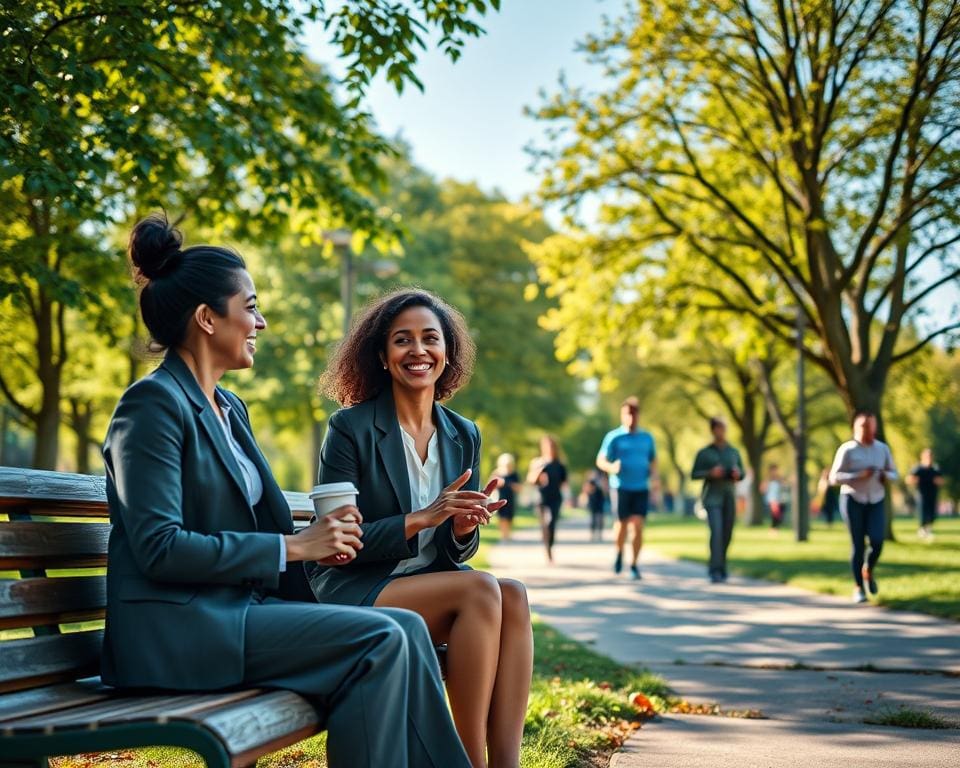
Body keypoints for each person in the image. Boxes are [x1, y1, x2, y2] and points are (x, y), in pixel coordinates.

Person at [101, 215, 470, 768]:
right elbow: (160, 547)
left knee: (407, 629)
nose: (261, 321)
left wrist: (324, 543)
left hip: (236, 613)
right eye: (250, 307)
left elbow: (252, 527)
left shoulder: (229, 407)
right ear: (207, 319)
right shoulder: (151, 405)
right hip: (179, 630)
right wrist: (295, 546)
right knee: (381, 641)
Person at [312, 288, 533, 768]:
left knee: (512, 595)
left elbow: (454, 554)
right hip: (356, 586)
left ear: (447, 352)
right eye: (403, 340)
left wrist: (460, 528)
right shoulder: (349, 428)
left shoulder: (463, 433)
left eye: (430, 338)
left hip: (425, 588)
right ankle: (467, 762)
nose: (418, 350)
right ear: (382, 356)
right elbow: (336, 544)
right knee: (480, 590)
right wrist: (422, 517)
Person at [829, 410, 898, 604]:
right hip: (853, 499)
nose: (868, 430)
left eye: (871, 426)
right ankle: (858, 587)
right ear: (855, 428)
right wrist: (857, 476)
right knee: (858, 544)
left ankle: (868, 569)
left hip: (876, 499)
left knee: (877, 541)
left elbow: (895, 473)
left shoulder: (882, 449)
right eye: (864, 426)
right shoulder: (847, 449)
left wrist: (885, 475)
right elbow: (833, 478)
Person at [596, 397, 658, 579]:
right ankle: (619, 552)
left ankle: (634, 565)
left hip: (641, 487)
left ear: (639, 415)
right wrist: (611, 467)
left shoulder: (647, 438)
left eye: (634, 414)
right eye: (627, 414)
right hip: (620, 487)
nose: (631, 417)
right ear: (622, 415)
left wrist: (655, 480)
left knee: (637, 525)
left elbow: (653, 461)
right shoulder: (614, 437)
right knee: (621, 525)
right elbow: (600, 460)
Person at [691, 417, 745, 583]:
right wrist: (710, 473)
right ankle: (714, 570)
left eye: (724, 428)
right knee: (716, 531)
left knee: (727, 533)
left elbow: (742, 473)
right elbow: (694, 474)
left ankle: (721, 566)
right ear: (713, 430)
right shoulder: (704, 452)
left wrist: (737, 474)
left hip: (729, 497)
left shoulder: (733, 452)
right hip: (712, 498)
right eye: (719, 428)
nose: (721, 431)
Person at [527, 435, 569, 564]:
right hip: (541, 498)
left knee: (551, 523)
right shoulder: (537, 462)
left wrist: (568, 499)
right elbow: (531, 480)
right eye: (547, 446)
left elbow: (564, 483)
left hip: (555, 498)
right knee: (544, 524)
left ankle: (550, 546)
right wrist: (539, 471)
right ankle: (547, 550)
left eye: (551, 446)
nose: (549, 448)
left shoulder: (560, 465)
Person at [908, 448, 945, 539]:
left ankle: (928, 531)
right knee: (922, 513)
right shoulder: (918, 468)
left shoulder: (935, 468)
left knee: (932, 514)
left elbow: (941, 480)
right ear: (923, 457)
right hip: (921, 495)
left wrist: (937, 481)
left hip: (932, 494)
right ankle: (922, 530)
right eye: (927, 456)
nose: (929, 458)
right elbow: (909, 479)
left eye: (930, 456)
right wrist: (915, 480)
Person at [490, 453, 522, 541]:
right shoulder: (497, 473)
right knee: (502, 517)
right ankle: (504, 535)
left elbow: (519, 488)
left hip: (511, 499)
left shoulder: (514, 474)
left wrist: (507, 483)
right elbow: (490, 485)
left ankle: (508, 534)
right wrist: (498, 484)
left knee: (510, 517)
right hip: (499, 498)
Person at [581, 468, 608, 541]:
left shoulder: (603, 479)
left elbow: (605, 491)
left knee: (600, 518)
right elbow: (587, 489)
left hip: (600, 501)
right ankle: (592, 534)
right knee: (593, 519)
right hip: (593, 501)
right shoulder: (591, 481)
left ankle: (599, 533)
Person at [761, 463, 784, 530]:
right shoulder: (767, 479)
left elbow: (784, 486)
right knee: (775, 513)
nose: (775, 471)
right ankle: (773, 527)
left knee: (778, 513)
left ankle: (775, 527)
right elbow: (762, 489)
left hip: (778, 498)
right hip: (771, 499)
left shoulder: (779, 479)